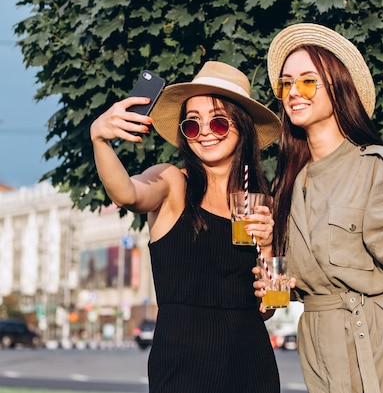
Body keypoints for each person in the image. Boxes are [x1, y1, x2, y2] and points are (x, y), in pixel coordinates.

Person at [257, 23, 383, 392]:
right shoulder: (287, 184)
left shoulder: (376, 163)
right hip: (319, 348)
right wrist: (271, 277)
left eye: (307, 82)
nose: (293, 93)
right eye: (286, 84)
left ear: (337, 88)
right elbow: (275, 296)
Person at [90, 61, 282, 393]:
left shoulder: (260, 203)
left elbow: (269, 307)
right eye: (192, 124)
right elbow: (127, 194)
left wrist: (267, 250)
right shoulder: (172, 183)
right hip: (183, 365)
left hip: (251, 363)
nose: (205, 131)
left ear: (243, 127)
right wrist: (100, 141)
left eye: (218, 122)